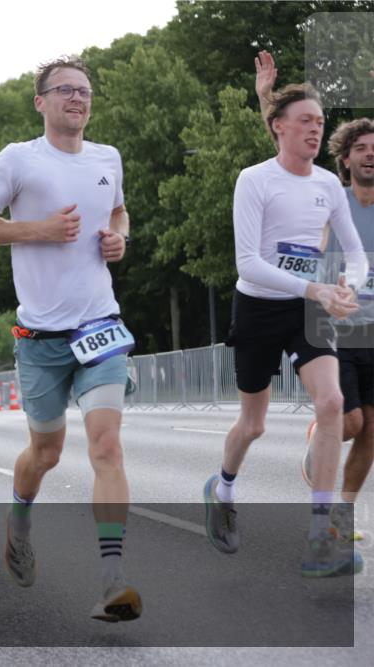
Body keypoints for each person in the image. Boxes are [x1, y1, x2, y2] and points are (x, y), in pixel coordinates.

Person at [0, 58, 139, 621]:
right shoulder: (19, 159)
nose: (77, 98)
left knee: (106, 446)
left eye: (85, 91)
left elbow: (117, 212)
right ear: (40, 102)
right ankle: (18, 520)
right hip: (40, 337)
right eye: (64, 90)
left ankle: (112, 581)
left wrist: (119, 238)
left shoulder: (107, 158)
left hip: (100, 325)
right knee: (45, 453)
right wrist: (37, 229)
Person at [202, 73, 368, 578]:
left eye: (319, 122)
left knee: (334, 402)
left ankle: (322, 535)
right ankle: (223, 488)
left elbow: (357, 255)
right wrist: (317, 289)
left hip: (304, 311)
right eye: (304, 122)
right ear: (278, 128)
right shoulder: (254, 180)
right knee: (254, 424)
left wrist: (347, 289)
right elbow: (248, 263)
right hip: (257, 308)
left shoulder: (327, 186)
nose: (315, 131)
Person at [256, 51, 374, 543]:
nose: (371, 154)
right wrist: (267, 98)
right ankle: (318, 437)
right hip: (332, 325)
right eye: (362, 148)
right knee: (346, 421)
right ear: (345, 157)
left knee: (372, 430)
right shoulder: (326, 196)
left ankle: (340, 517)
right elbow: (285, 145)